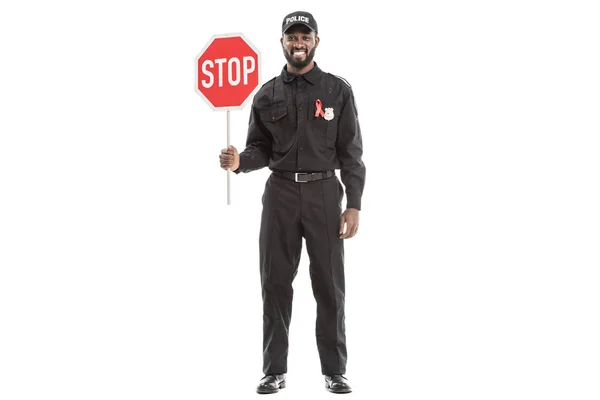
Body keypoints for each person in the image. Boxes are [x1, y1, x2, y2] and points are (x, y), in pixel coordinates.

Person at [218, 10, 366, 395]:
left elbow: (351, 152)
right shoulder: (266, 94)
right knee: (276, 283)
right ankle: (274, 370)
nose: (297, 43)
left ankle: (335, 370)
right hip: (280, 194)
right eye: (291, 37)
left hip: (324, 193)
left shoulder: (337, 90)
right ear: (282, 42)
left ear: (317, 41)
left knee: (330, 285)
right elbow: (259, 149)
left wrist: (354, 203)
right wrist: (239, 162)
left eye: (305, 36)